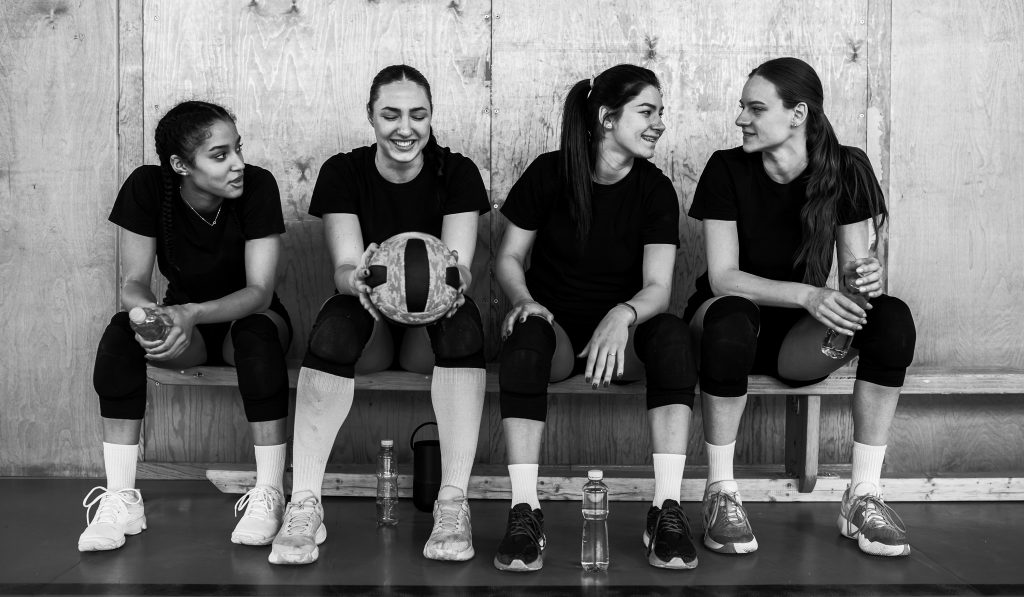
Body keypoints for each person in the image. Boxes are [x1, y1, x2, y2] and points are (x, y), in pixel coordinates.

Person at [685, 57, 916, 557]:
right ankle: (721, 491)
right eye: (741, 107)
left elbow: (856, 279)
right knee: (732, 316)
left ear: (798, 113)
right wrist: (809, 294)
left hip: (798, 342)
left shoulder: (846, 166)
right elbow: (724, 279)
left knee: (892, 319)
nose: (741, 118)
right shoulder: (726, 168)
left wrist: (867, 278)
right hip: (728, 324)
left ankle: (863, 494)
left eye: (755, 107)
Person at [269, 65, 490, 565]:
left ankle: (452, 503)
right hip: (369, 320)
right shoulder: (343, 172)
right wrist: (366, 277)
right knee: (335, 323)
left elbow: (461, 274)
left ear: (432, 117)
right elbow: (344, 270)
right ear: (370, 116)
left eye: (418, 115)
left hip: (427, 332)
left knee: (463, 319)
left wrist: (444, 283)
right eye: (390, 115)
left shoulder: (456, 173)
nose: (405, 128)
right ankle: (304, 504)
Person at [494, 64, 699, 572]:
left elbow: (658, 287)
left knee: (672, 335)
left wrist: (622, 314)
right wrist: (524, 300)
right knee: (525, 336)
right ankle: (525, 509)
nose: (658, 124)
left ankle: (665, 510)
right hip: (558, 333)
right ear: (607, 117)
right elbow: (508, 258)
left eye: (660, 113)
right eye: (646, 112)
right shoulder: (549, 172)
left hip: (621, 340)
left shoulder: (655, 189)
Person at [81, 101, 293, 552]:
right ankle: (121, 497)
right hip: (185, 326)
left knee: (255, 334)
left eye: (237, 148)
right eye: (220, 155)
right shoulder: (147, 187)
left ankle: (270, 492)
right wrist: (149, 315)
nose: (237, 163)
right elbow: (135, 284)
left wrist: (191, 312)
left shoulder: (257, 185)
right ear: (180, 164)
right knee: (121, 333)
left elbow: (258, 290)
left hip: (251, 320)